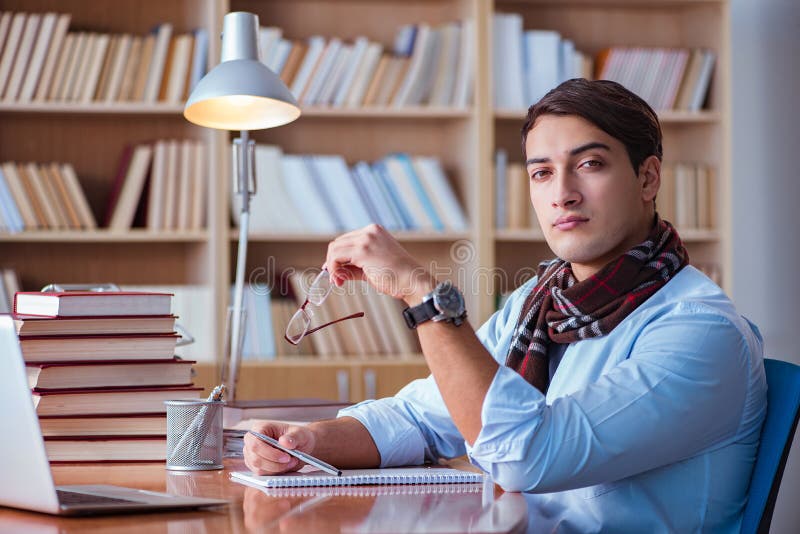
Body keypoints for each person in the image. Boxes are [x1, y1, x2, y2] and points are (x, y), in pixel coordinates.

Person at [244, 79, 767, 532]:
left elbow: (529, 455)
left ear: (648, 178)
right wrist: (306, 440)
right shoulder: (539, 303)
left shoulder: (700, 332)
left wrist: (424, 296)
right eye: (542, 172)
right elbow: (425, 417)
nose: (562, 193)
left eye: (589, 164)